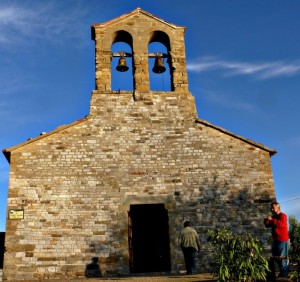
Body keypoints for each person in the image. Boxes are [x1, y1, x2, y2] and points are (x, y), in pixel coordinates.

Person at [264, 201, 290, 278]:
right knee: (276, 257)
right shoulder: (274, 217)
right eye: (271, 208)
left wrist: (272, 220)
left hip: (282, 240)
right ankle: (283, 272)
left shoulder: (283, 215)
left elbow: (282, 224)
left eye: (273, 207)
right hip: (275, 241)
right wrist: (267, 220)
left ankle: (284, 274)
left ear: (278, 207)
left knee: (283, 258)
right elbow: (267, 225)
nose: (271, 209)